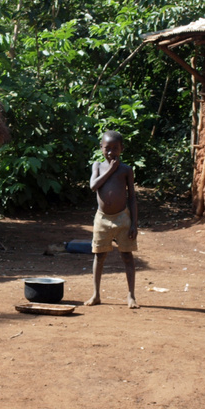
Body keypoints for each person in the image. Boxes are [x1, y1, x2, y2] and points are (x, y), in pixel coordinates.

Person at [84, 130, 139, 308]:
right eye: (107, 148)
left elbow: (131, 197)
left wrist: (134, 225)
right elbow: (93, 186)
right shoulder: (97, 166)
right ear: (101, 148)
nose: (111, 152)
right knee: (99, 256)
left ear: (122, 149)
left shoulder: (126, 170)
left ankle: (131, 296)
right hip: (102, 218)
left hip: (123, 218)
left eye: (115, 148)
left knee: (127, 256)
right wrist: (110, 171)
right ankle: (96, 294)